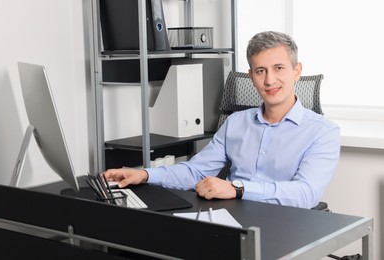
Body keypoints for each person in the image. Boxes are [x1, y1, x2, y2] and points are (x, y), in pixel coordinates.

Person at [103, 31, 340, 209]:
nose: (269, 80)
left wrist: (237, 188)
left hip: (284, 224)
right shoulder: (236, 123)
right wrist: (145, 175)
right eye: (260, 71)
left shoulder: (323, 132)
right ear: (251, 76)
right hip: (231, 218)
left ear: (296, 71)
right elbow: (195, 171)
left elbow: (305, 194)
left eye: (278, 68)